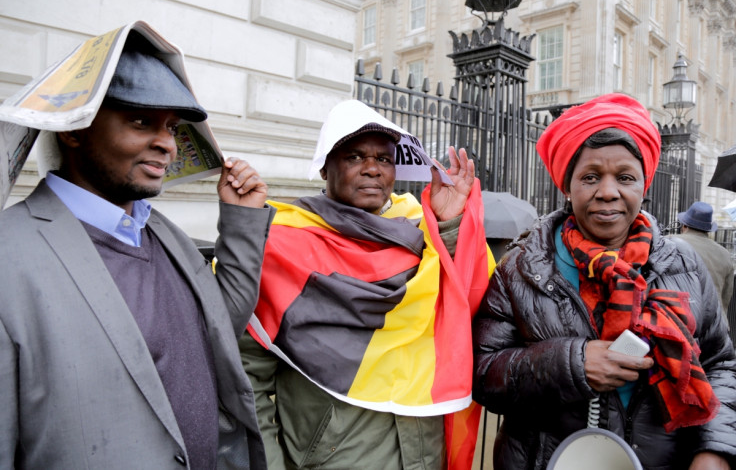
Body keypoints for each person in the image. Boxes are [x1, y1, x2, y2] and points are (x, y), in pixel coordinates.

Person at [0, 32, 274, 469]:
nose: (167, 144)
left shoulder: (163, 233)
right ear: (73, 129)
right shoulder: (10, 255)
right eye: (141, 121)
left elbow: (218, 327)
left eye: (170, 126)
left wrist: (240, 222)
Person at [472, 93, 736, 469]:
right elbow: (483, 373)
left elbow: (719, 364)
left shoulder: (685, 264)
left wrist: (715, 451)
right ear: (567, 185)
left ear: (643, 184)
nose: (608, 191)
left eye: (625, 177)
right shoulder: (521, 268)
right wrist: (572, 363)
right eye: (591, 177)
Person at [239, 100, 493, 469]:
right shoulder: (282, 245)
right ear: (326, 166)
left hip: (420, 449)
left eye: (384, 159)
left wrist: (449, 223)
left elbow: (463, 303)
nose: (372, 169)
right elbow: (249, 380)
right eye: (355, 157)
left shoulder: (420, 225)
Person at [674, 201, 734, 318]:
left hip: (678, 316)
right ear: (708, 230)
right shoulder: (724, 254)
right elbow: (725, 297)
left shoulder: (670, 242)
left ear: (684, 226)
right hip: (713, 320)